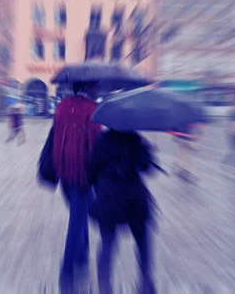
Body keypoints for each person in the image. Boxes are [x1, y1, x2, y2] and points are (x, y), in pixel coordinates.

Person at [87, 130, 158, 294]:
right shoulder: (136, 139)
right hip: (134, 197)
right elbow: (147, 168)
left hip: (108, 197)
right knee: (143, 242)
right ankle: (145, 283)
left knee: (108, 243)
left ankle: (104, 286)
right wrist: (147, 149)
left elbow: (90, 171)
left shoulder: (102, 140)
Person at [52, 82, 103, 280]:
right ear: (88, 88)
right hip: (83, 172)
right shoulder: (92, 109)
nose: (98, 90)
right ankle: (67, 265)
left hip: (63, 168)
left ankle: (82, 255)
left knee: (79, 211)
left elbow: (57, 135)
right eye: (96, 87)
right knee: (77, 217)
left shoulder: (62, 106)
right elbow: (95, 142)